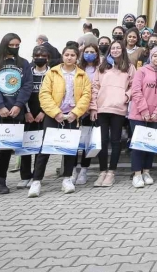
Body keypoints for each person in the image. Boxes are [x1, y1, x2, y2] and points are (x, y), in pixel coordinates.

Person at [28, 44, 91, 197]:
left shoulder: (82, 75)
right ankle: (36, 181)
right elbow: (44, 94)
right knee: (45, 148)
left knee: (70, 149)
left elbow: (86, 96)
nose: (69, 57)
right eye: (67, 55)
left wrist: (75, 113)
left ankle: (67, 179)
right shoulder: (53, 73)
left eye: (73, 55)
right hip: (53, 115)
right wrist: (55, 113)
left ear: (77, 57)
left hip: (71, 116)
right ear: (62, 56)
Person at [0, 33, 33, 197]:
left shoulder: (24, 64)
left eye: (18, 45)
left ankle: (1, 181)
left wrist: (18, 105)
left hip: (14, 112)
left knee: (6, 149)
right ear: (4, 44)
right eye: (12, 45)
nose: (15, 48)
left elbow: (27, 86)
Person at [90, 40, 135, 188]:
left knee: (116, 142)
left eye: (118, 48)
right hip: (102, 108)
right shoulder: (102, 67)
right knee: (102, 141)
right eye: (113, 48)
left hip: (118, 109)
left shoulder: (129, 67)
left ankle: (111, 172)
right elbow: (95, 87)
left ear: (122, 50)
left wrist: (126, 97)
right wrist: (93, 107)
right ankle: (102, 171)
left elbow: (134, 86)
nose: (115, 50)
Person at [129, 46, 157, 189]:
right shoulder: (142, 71)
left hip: (156, 116)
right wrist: (144, 110)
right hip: (138, 115)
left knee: (151, 145)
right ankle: (137, 174)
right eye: (155, 55)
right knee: (139, 145)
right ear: (150, 57)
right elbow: (136, 91)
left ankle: (146, 171)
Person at [16, 47, 50, 189]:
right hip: (27, 114)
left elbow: (54, 95)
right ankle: (25, 176)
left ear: (47, 58)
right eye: (37, 55)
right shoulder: (26, 72)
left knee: (40, 146)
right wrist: (26, 112)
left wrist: (43, 112)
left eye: (42, 55)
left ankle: (37, 175)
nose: (39, 57)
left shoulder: (52, 73)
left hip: (45, 114)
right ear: (33, 57)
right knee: (26, 145)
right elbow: (21, 92)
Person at [72, 44, 99, 185]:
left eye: (92, 52)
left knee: (87, 141)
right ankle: (72, 170)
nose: (89, 54)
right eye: (87, 52)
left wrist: (91, 106)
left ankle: (84, 170)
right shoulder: (77, 68)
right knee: (75, 141)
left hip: (91, 109)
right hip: (76, 109)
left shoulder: (100, 69)